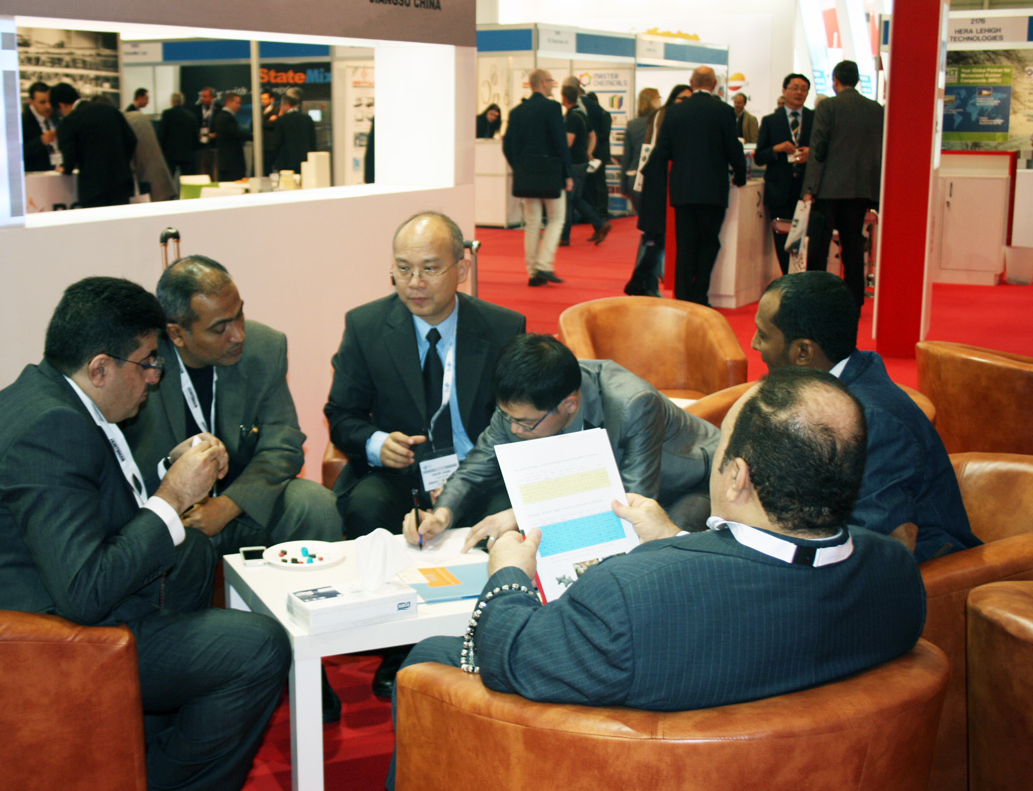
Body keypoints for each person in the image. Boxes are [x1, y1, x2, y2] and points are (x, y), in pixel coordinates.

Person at [385, 366, 926, 789]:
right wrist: (674, 541)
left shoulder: (630, 595)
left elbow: (512, 653)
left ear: (736, 477)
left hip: (620, 763)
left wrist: (509, 573)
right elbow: (767, 582)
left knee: (428, 654)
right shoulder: (897, 573)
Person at [0, 277, 290, 791]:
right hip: (32, 644)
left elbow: (87, 503)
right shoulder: (50, 430)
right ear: (100, 368)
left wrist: (171, 472)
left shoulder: (50, 396)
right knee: (259, 646)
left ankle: (145, 748)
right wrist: (171, 497)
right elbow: (85, 592)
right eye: (147, 362)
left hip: (47, 599)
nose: (154, 377)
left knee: (190, 553)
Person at [325, 211, 525, 698]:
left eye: (430, 269)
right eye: (403, 268)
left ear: (462, 268)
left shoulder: (503, 328)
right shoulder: (365, 326)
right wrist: (377, 443)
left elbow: (523, 419)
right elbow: (342, 414)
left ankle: (486, 636)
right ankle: (398, 645)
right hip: (400, 475)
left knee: (511, 517)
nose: (414, 282)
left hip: (479, 474)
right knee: (367, 506)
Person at [406, 333, 720, 549]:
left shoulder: (633, 405)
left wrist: (525, 514)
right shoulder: (521, 406)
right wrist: (443, 513)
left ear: (569, 404)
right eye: (508, 416)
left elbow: (632, 501)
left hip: (689, 485)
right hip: (603, 488)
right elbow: (477, 466)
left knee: (656, 549)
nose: (514, 429)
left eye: (525, 423)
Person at [751, 271, 981, 562]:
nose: (754, 344)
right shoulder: (822, 383)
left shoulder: (873, 422)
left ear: (804, 352)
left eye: (763, 335)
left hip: (924, 569)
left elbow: (876, 545)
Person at [125, 255, 341, 555]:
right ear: (177, 334)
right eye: (219, 328)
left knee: (314, 505)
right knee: (180, 545)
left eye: (239, 315)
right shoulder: (140, 365)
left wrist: (228, 505)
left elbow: (283, 446)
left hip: (244, 508)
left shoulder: (264, 348)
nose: (238, 335)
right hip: (174, 515)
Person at [650, 66, 746, 306]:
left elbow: (663, 150)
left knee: (685, 245)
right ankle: (700, 295)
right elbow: (733, 148)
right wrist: (740, 174)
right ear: (714, 84)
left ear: (691, 83)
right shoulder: (724, 111)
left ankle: (682, 297)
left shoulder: (674, 111)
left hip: (682, 188)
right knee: (709, 243)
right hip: (713, 188)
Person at [801, 60, 884, 310]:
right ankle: (854, 299)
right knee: (853, 245)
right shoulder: (875, 109)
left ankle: (817, 297)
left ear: (835, 80)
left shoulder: (828, 106)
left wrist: (809, 188)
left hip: (829, 188)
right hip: (861, 189)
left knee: (820, 246)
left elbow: (818, 150)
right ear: (857, 80)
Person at [503, 69, 572, 286]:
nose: (552, 85)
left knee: (532, 223)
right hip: (550, 173)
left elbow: (507, 146)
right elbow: (560, 143)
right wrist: (567, 173)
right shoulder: (552, 108)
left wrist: (519, 167)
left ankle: (533, 271)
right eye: (551, 81)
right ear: (543, 83)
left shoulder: (517, 112)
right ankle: (544, 264)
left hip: (526, 175)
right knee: (556, 218)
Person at [626, 84, 691, 297]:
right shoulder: (663, 116)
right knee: (655, 236)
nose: (685, 103)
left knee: (654, 237)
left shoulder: (664, 116)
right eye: (682, 98)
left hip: (661, 181)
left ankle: (644, 281)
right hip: (657, 183)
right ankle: (643, 280)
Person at [755, 73, 815, 276]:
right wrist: (776, 149)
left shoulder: (815, 118)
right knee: (782, 238)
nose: (799, 92)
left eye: (803, 89)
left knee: (808, 239)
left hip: (807, 190)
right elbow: (759, 156)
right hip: (779, 190)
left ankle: (804, 279)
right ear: (784, 90)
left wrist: (811, 154)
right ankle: (788, 280)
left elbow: (826, 151)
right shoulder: (771, 121)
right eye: (795, 88)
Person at [51, 82, 137, 208]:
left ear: (61, 105)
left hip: (93, 187)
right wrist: (121, 161)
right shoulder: (110, 110)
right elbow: (131, 139)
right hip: (121, 182)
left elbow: (69, 158)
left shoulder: (70, 121)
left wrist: (66, 168)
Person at [560, 84, 612, 247]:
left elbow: (568, 142)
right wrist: (589, 152)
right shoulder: (581, 115)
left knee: (569, 199)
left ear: (564, 98)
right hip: (582, 162)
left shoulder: (572, 117)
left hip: (574, 163)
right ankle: (600, 224)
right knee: (576, 198)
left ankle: (564, 236)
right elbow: (593, 135)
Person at [124, 103, 176, 202]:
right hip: (156, 184)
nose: (147, 102)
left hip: (145, 186)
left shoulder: (132, 119)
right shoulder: (137, 118)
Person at [619, 87, 659, 211]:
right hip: (656, 177)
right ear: (653, 101)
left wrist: (623, 186)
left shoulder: (632, 125)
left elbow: (627, 157)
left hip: (635, 177)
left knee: (641, 216)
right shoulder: (660, 123)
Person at [267, 88, 316, 173]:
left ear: (286, 104)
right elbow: (313, 141)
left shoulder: (282, 120)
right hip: (305, 162)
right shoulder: (307, 119)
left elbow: (276, 142)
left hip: (286, 162)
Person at [158, 91, 200, 179]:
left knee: (169, 179)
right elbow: (195, 136)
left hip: (170, 154)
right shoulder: (191, 116)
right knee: (187, 179)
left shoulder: (167, 114)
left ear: (172, 102)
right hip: (187, 154)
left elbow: (161, 134)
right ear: (183, 102)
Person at [21, 81, 59, 172]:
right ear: (31, 102)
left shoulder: (57, 114)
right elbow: (18, 152)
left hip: (58, 170)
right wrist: (41, 141)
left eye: (50, 101)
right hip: (37, 173)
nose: (48, 106)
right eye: (42, 102)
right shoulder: (23, 121)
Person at [213, 91, 250, 182]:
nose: (239, 106)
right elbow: (237, 133)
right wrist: (255, 137)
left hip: (225, 161)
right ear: (229, 102)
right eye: (237, 103)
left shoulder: (220, 116)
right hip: (232, 162)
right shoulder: (227, 118)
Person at [194, 87, 219, 180]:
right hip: (199, 146)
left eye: (205, 96)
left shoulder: (219, 109)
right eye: (202, 96)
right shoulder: (195, 109)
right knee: (200, 171)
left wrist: (216, 134)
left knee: (214, 172)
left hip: (214, 145)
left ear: (212, 97)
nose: (203, 99)